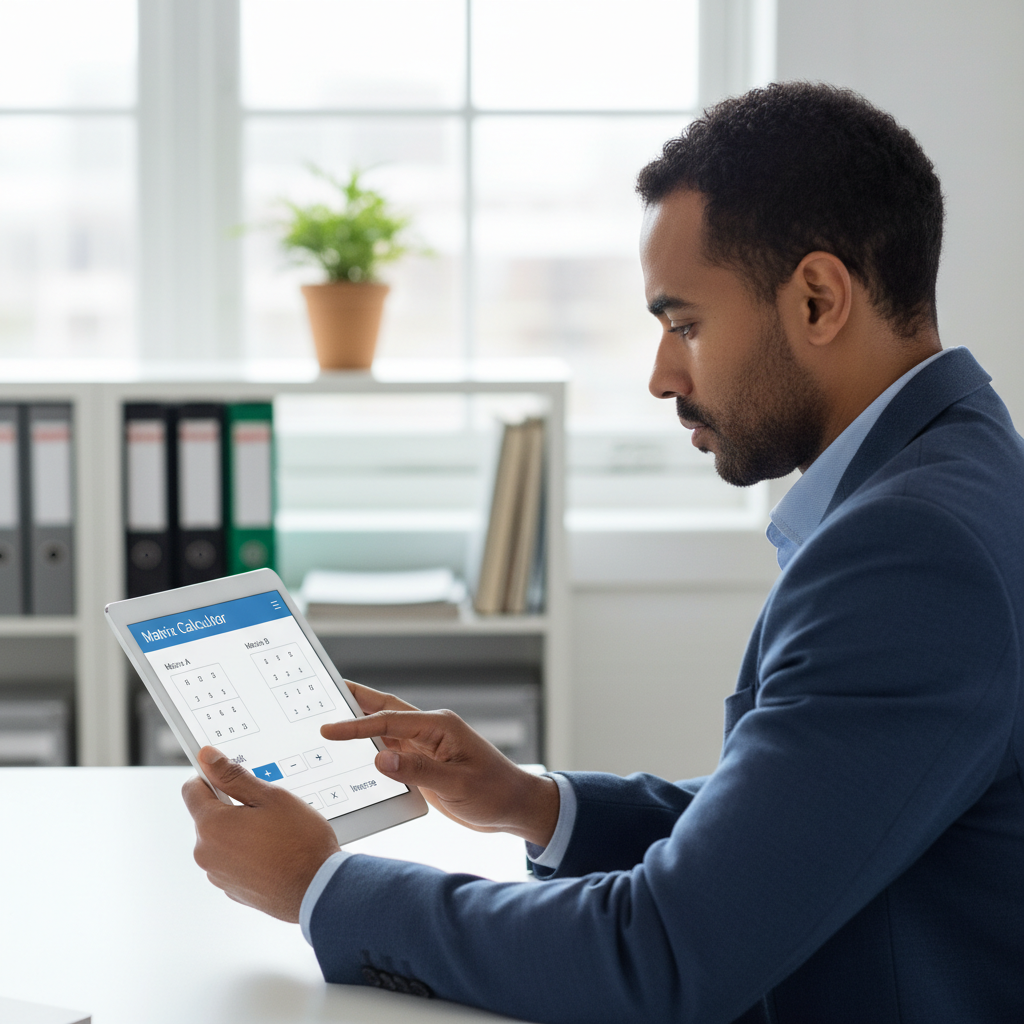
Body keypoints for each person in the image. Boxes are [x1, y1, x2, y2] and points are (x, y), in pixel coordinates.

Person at [183, 83, 1024, 1024]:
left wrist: (320, 886)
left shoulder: (909, 552)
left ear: (819, 298)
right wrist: (531, 803)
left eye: (686, 324)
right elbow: (812, 820)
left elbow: (660, 955)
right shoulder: (958, 469)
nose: (664, 375)